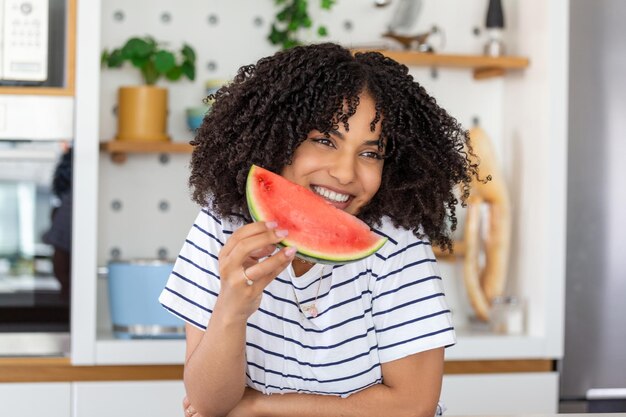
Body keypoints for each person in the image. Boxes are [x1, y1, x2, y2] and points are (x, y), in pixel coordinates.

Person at [159, 43, 480, 417]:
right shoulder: (223, 225)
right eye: (325, 141)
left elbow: (412, 405)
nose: (345, 172)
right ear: (279, 136)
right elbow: (209, 403)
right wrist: (232, 307)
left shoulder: (396, 244)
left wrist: (260, 407)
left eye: (370, 153)